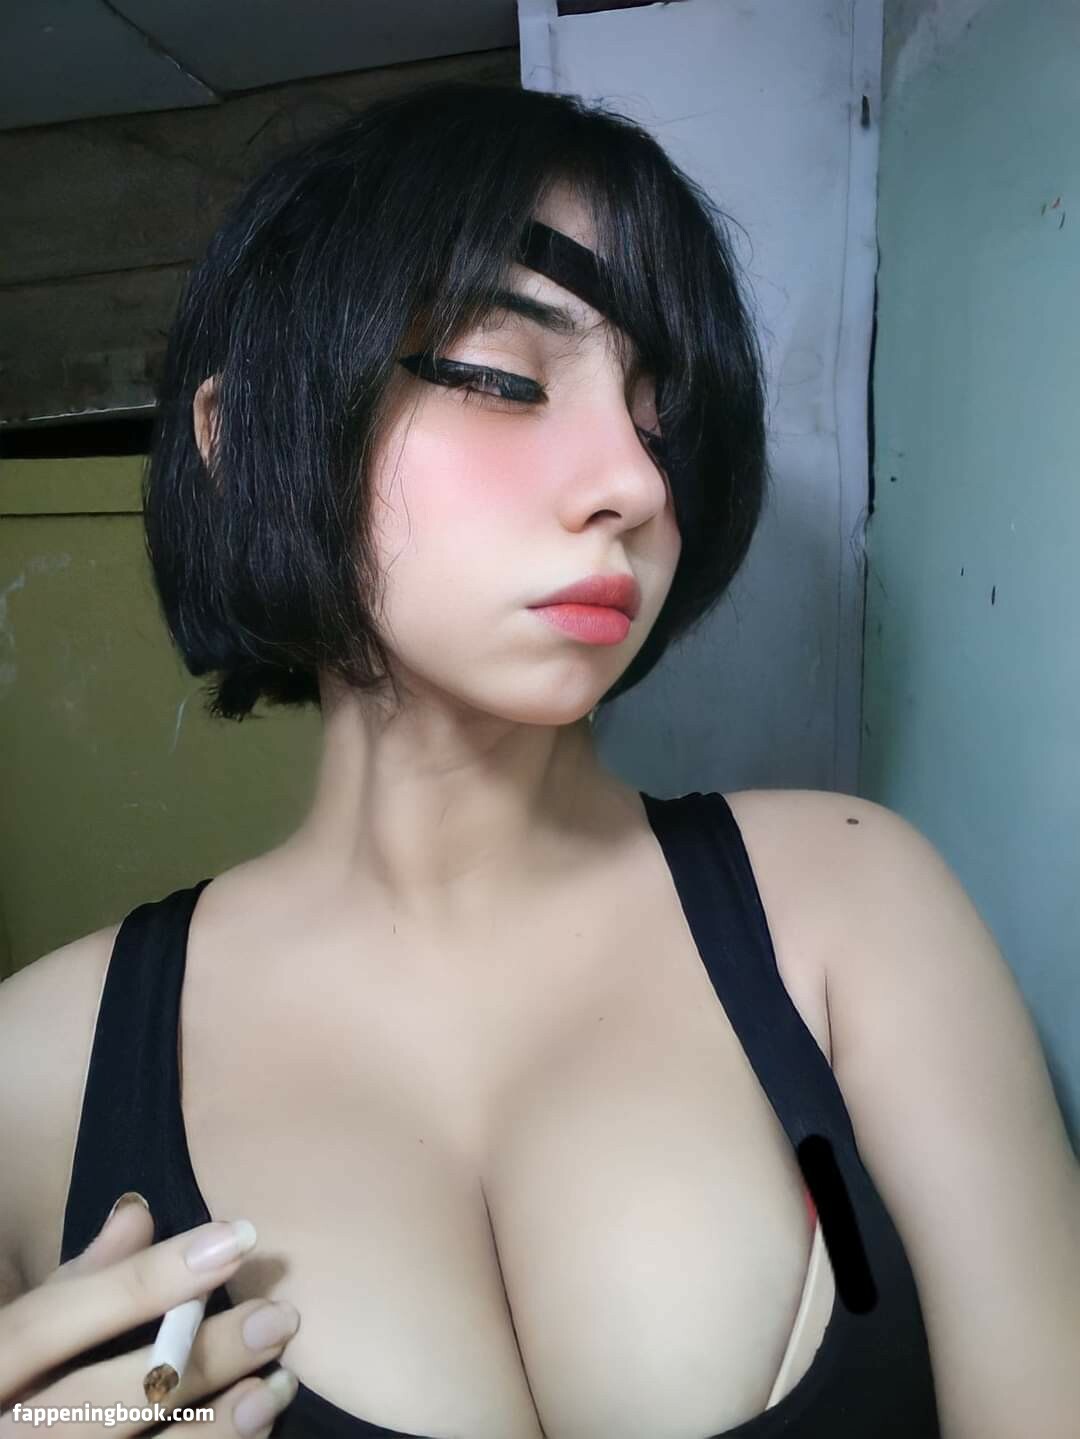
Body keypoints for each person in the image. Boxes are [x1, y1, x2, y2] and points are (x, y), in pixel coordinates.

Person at [1, 78, 1077, 1439]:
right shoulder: (31, 1071)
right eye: (502, 377)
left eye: (658, 411)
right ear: (245, 433)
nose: (633, 480)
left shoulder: (851, 907)